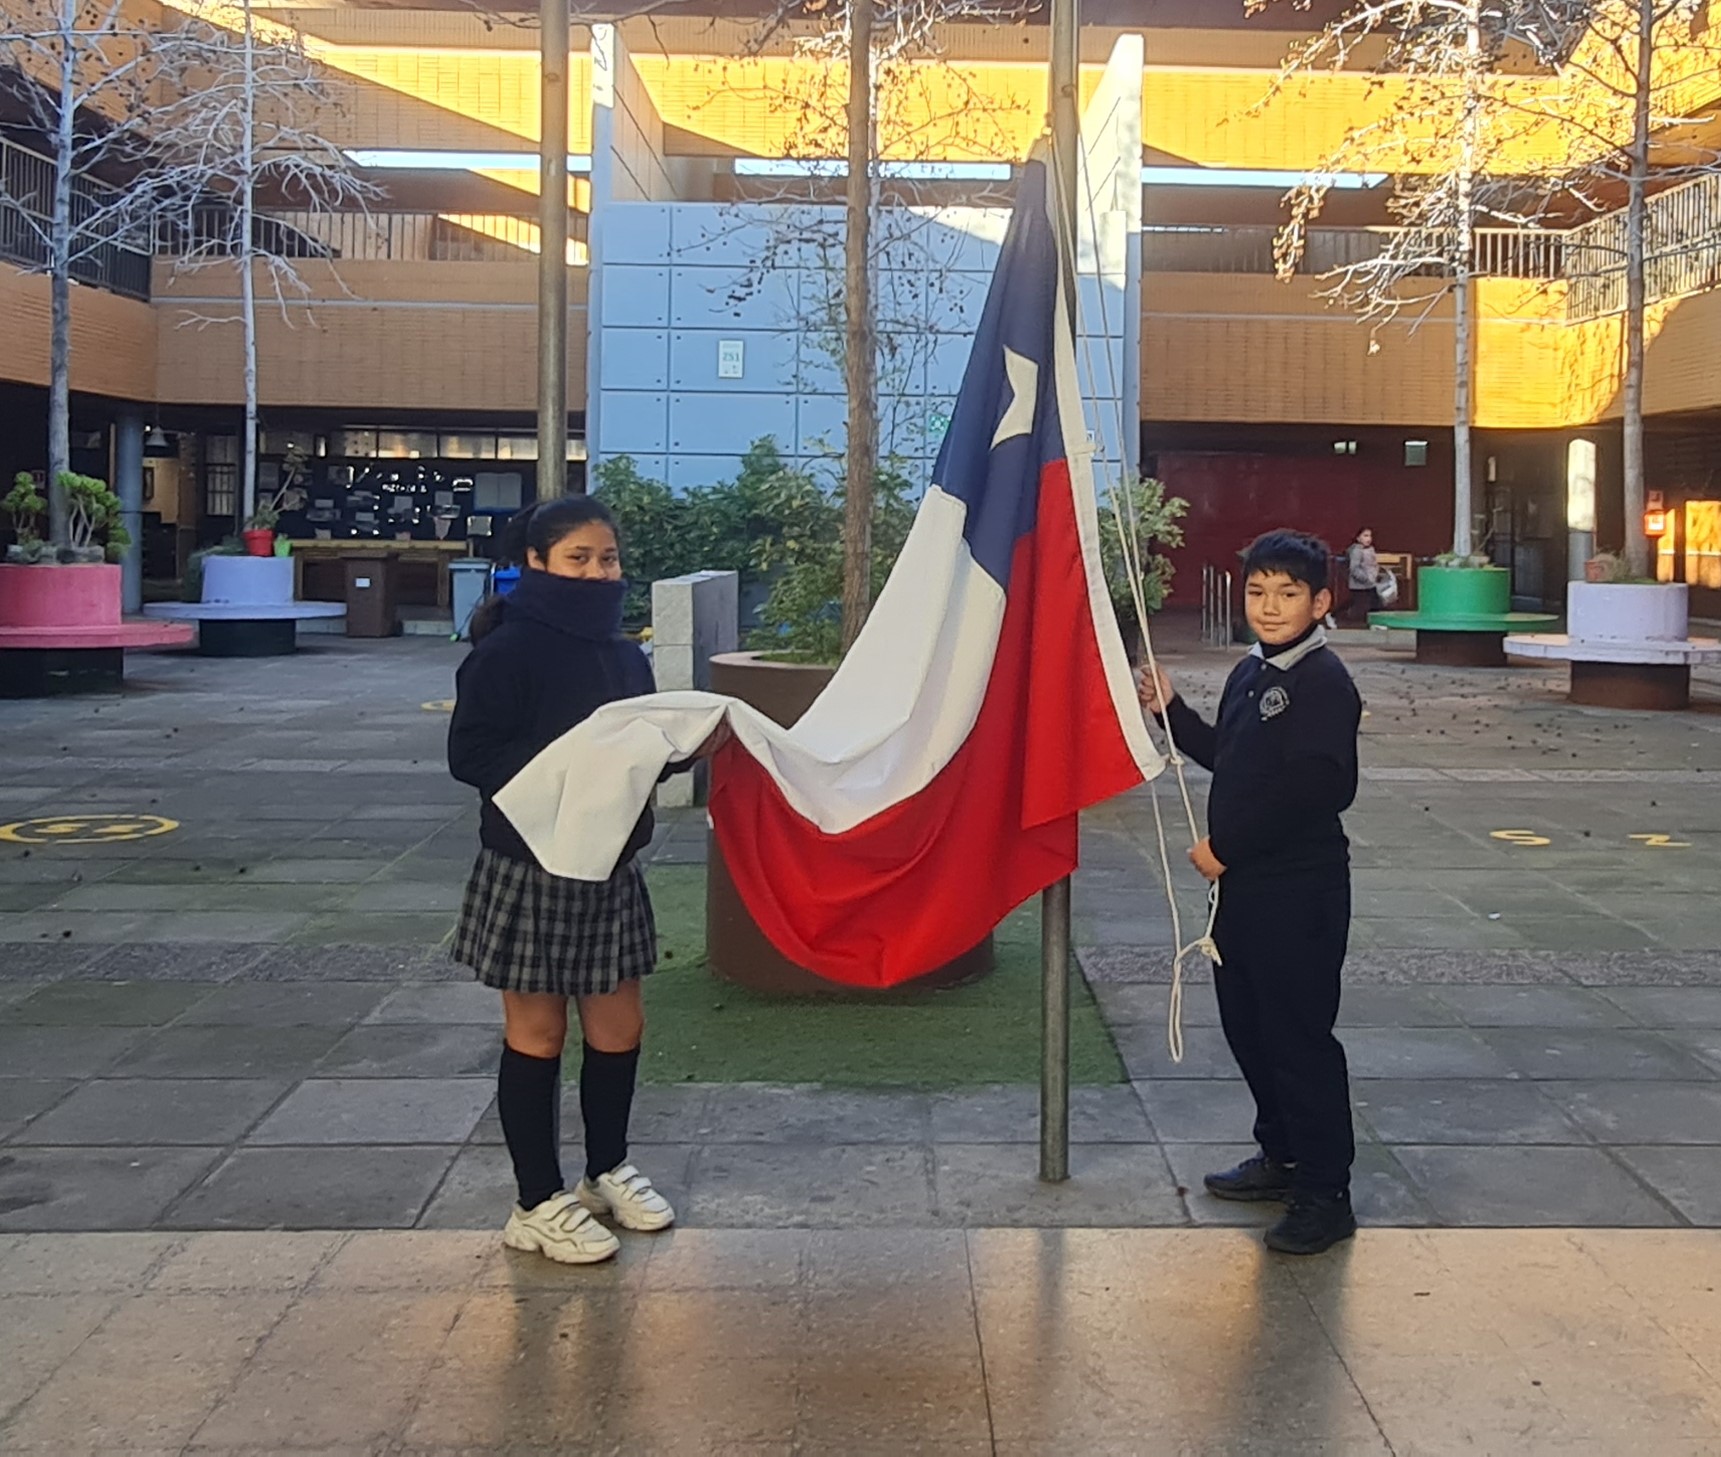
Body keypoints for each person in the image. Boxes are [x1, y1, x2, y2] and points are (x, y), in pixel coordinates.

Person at [448, 496, 720, 1265]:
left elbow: (639, 756)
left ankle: (606, 1171)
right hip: (529, 864)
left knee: (619, 1027)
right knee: (537, 1034)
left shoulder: (624, 655)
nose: (598, 572)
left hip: (611, 863)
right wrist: (564, 778)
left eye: (608, 558)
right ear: (536, 562)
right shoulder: (506, 650)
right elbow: (471, 755)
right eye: (578, 558)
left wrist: (688, 745)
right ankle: (535, 1200)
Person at [1137, 529, 1363, 1255]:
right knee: (1250, 1028)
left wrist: (1224, 848)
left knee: (1297, 1038)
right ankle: (1282, 1155)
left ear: (1320, 602)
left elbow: (1320, 786)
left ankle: (1325, 1192)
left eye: (1287, 593)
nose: (1268, 606)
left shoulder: (1322, 681)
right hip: (1244, 891)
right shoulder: (1251, 671)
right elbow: (1227, 757)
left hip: (1298, 892)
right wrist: (1170, 710)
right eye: (1258, 591)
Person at [1346, 527, 1380, 624]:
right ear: (1358, 538)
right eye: (1365, 536)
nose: (1368, 539)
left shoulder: (1370, 549)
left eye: (1370, 536)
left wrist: (1375, 574)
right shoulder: (1356, 550)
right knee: (1359, 606)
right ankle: (1336, 616)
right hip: (1360, 585)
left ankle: (1374, 623)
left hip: (1371, 583)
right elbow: (1354, 568)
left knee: (1375, 604)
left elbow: (1373, 565)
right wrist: (1366, 578)